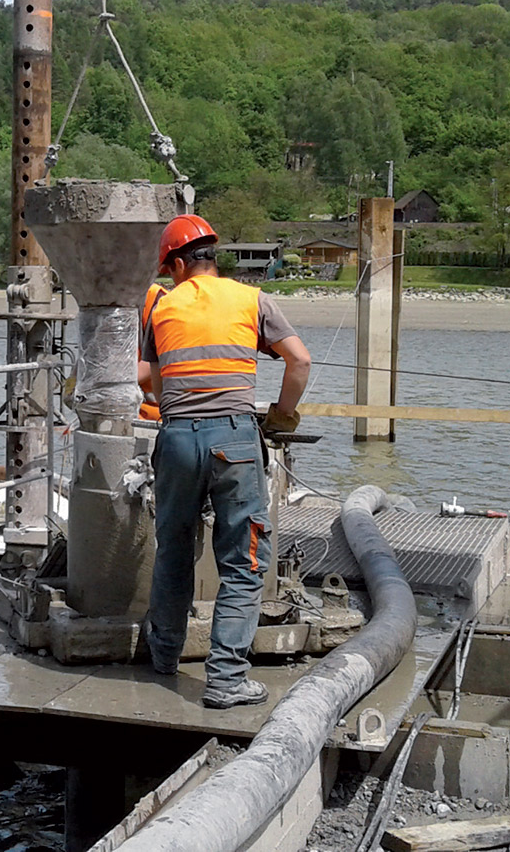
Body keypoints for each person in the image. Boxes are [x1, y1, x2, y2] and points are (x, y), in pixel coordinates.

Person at [141, 214, 311, 709]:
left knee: (173, 550)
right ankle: (226, 680)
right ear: (212, 256)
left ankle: (165, 655)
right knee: (243, 559)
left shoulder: (163, 306)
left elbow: (147, 375)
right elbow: (298, 361)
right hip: (234, 440)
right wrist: (281, 415)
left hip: (175, 439)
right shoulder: (250, 299)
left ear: (176, 263)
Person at [137, 280, 167, 422]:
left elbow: (156, 356)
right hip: (128, 409)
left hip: (153, 413)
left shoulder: (157, 301)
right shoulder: (99, 297)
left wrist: (111, 384)